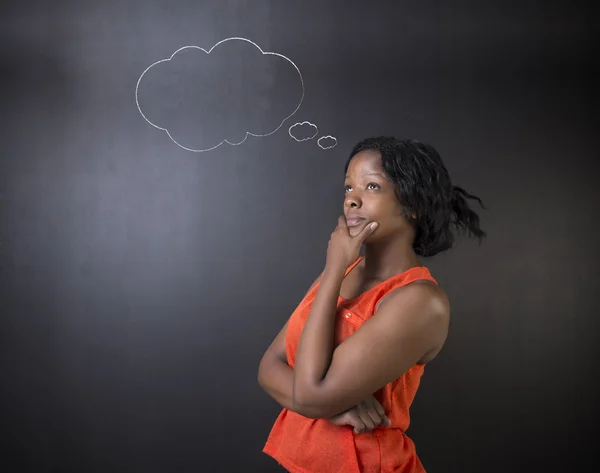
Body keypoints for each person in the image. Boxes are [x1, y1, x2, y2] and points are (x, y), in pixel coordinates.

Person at [258, 137, 486, 472]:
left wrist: (334, 268)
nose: (352, 200)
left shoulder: (420, 301)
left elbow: (307, 396)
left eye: (372, 186)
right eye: (349, 187)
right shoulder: (344, 271)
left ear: (413, 205)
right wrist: (333, 406)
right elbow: (269, 367)